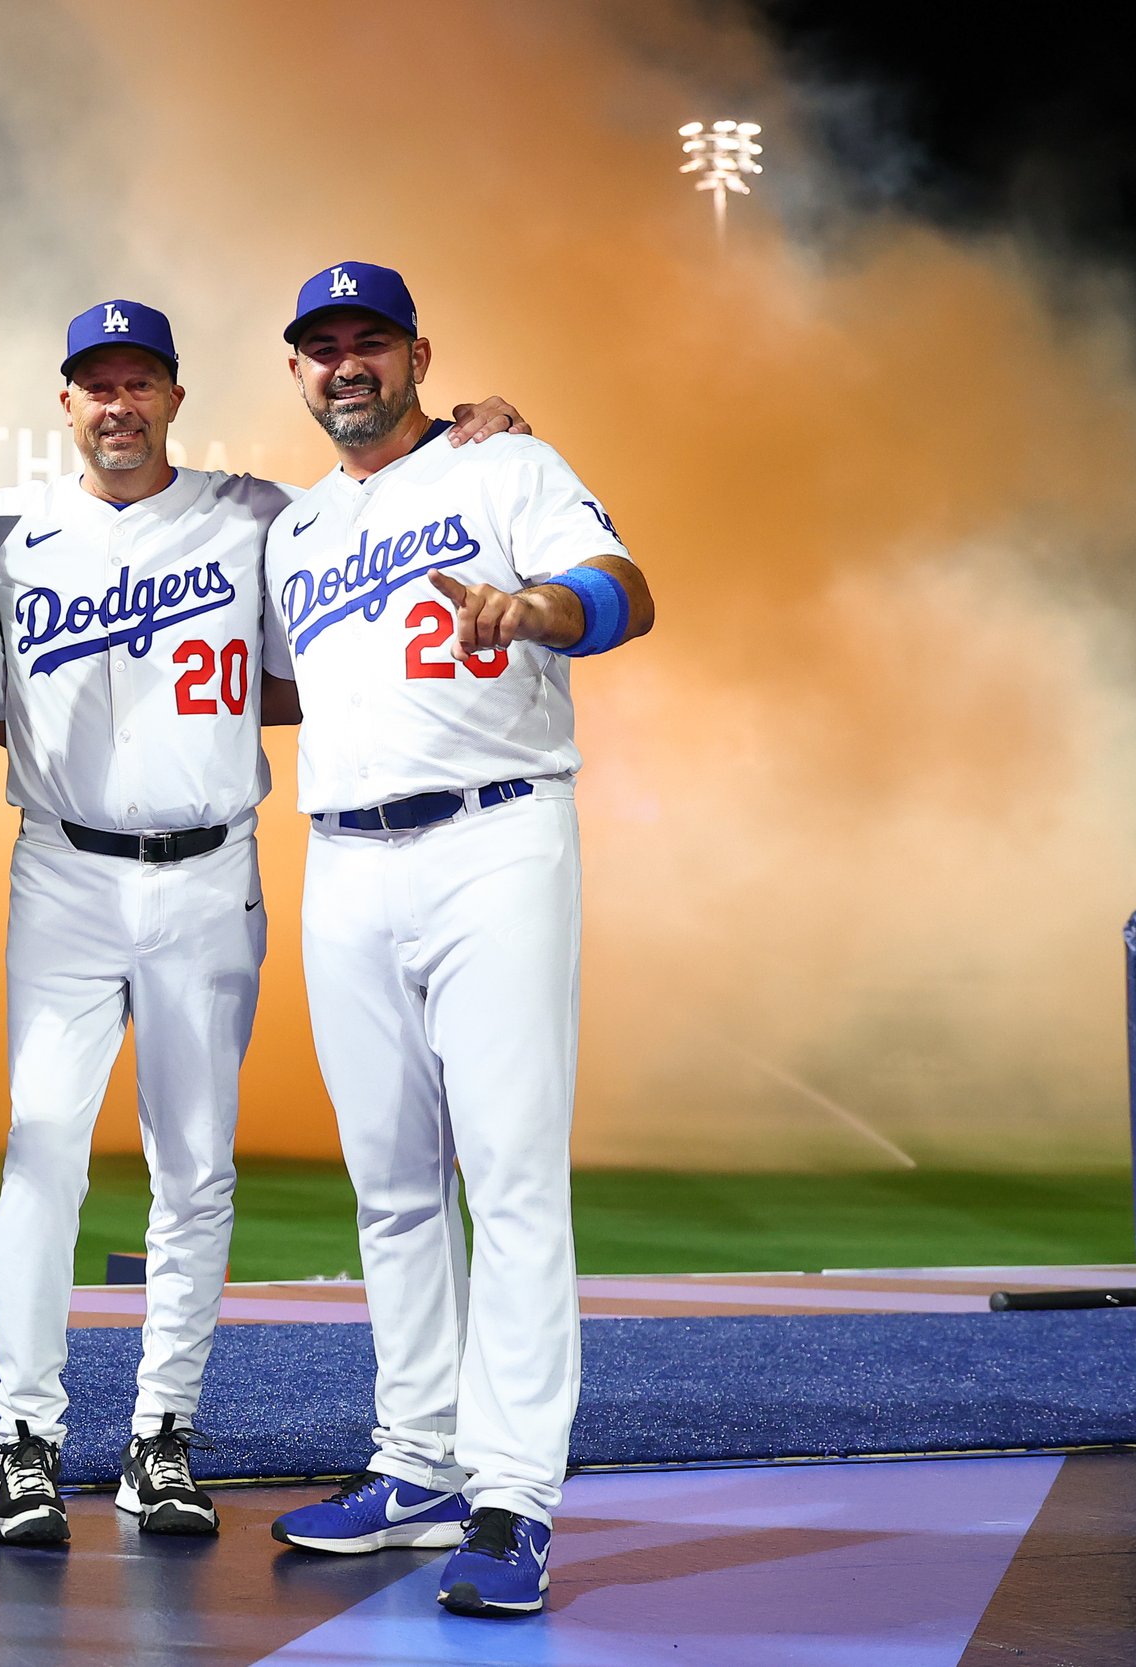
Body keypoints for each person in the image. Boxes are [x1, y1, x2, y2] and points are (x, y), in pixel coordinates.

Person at [0, 304, 527, 1547]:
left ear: (175, 399)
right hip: (66, 872)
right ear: (65, 403)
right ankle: (24, 1436)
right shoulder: (8, 541)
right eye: (96, 384)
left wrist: (472, 440)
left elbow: (379, 527)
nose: (118, 404)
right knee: (43, 1153)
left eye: (141, 382)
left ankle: (160, 1437)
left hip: (208, 871)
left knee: (195, 1167)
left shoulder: (261, 513)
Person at [259, 261, 654, 1617]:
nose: (347, 363)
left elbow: (626, 586)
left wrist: (546, 606)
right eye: (323, 347)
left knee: (510, 1170)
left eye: (371, 341)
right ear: (297, 372)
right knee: (390, 1182)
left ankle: (512, 1495)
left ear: (419, 355)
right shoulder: (297, 528)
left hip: (494, 835)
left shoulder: (506, 463)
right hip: (345, 856)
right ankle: (418, 1462)